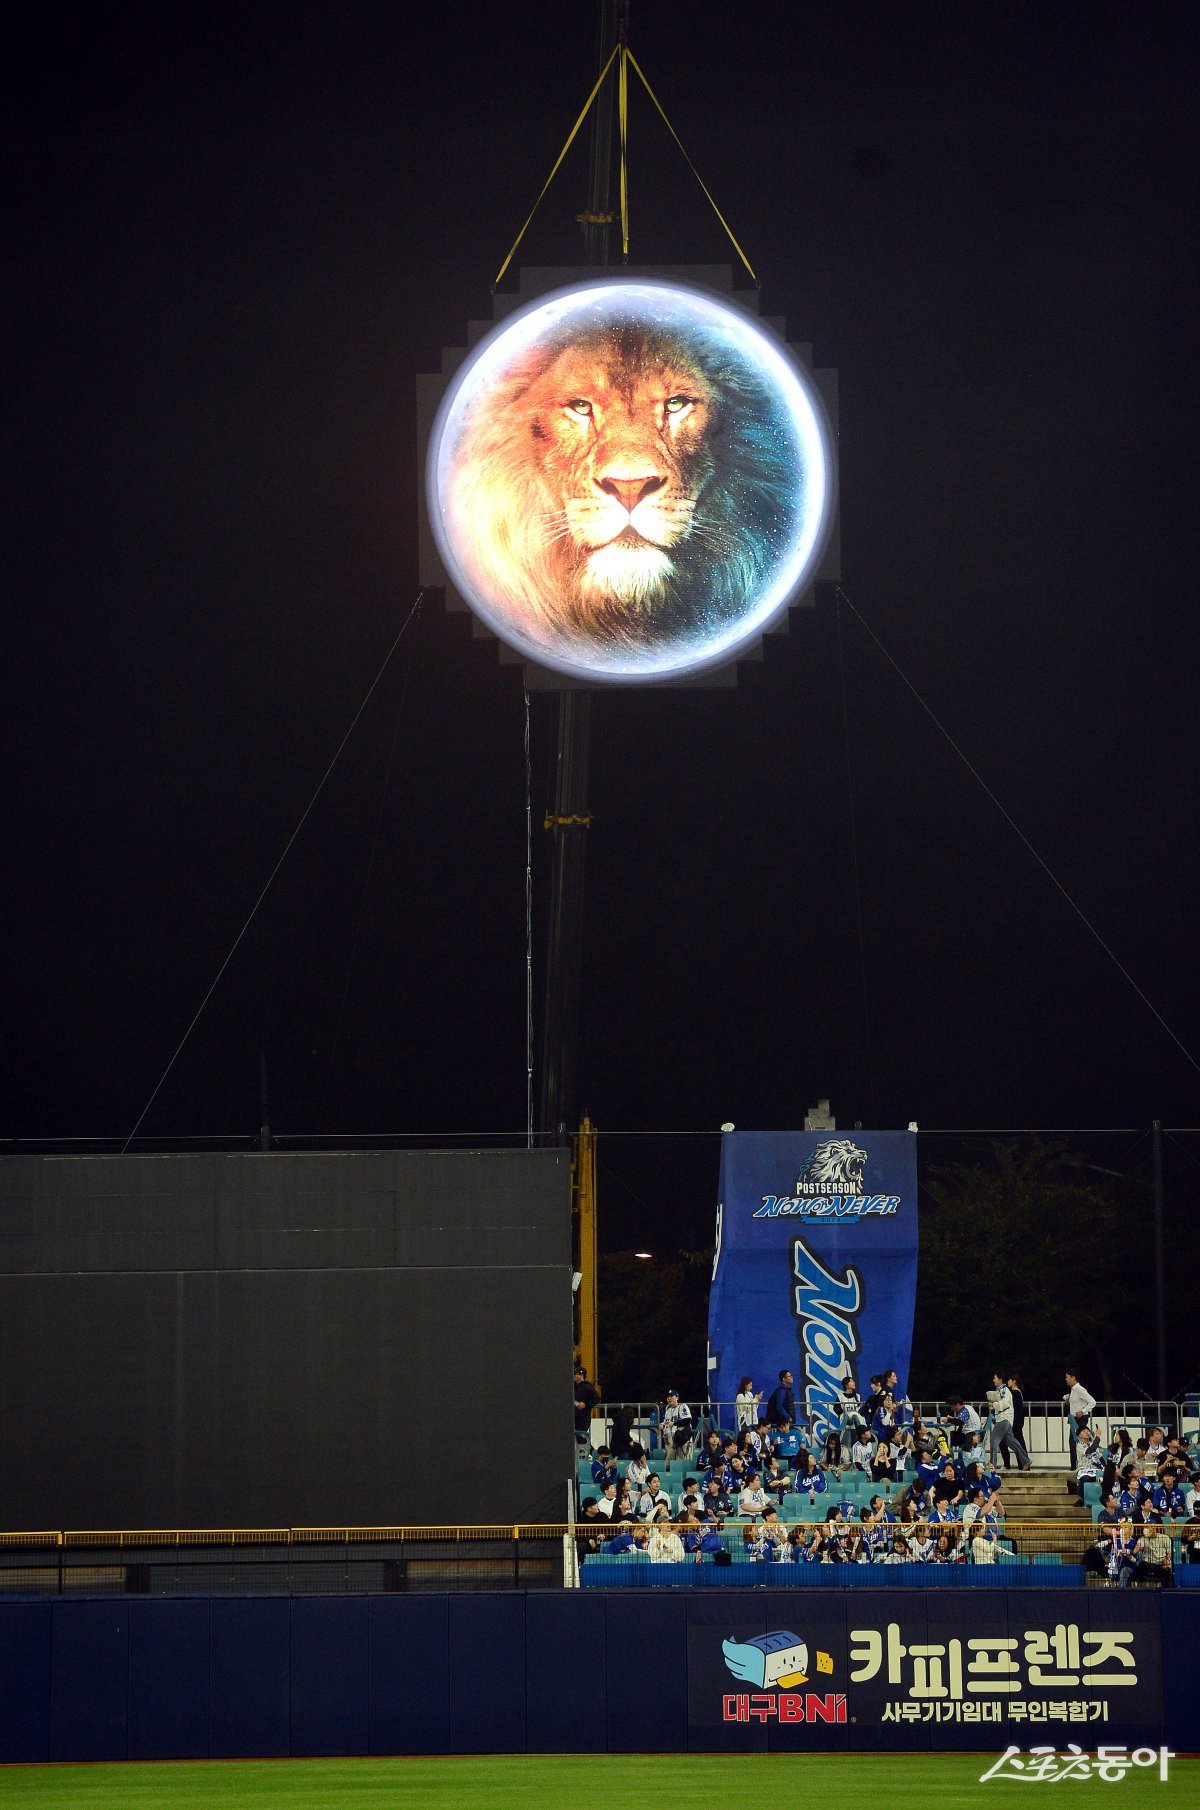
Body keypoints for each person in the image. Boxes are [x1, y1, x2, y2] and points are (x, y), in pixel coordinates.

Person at [988, 1372, 1031, 1469]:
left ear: (1000, 1379)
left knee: (994, 1440)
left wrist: (993, 1405)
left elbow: (1004, 1404)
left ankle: (992, 1465)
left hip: (1004, 1419)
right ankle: (1025, 1460)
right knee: (1012, 1442)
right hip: (1005, 1419)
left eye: (995, 1378)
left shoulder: (1005, 1390)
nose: (993, 1380)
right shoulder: (1001, 1390)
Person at [1063, 1370, 1097, 1465]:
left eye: (1067, 1377)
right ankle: (1075, 1463)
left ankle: (1076, 1464)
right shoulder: (1073, 1390)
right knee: (1074, 1441)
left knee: (1076, 1441)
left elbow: (1092, 1402)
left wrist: (1083, 1411)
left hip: (1080, 1419)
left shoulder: (1079, 1389)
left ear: (1073, 1377)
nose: (1066, 1379)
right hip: (1074, 1419)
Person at [661, 1388, 694, 1460]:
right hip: (671, 1442)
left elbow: (687, 1420)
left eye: (671, 1396)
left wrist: (674, 1423)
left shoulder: (683, 1406)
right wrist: (662, 1426)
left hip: (683, 1441)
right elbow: (667, 1424)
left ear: (677, 1397)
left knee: (682, 1465)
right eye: (668, 1397)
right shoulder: (668, 1411)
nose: (669, 1398)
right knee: (670, 1466)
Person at [573, 1365, 599, 1441]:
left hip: (583, 1418)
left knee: (581, 1438)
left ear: (581, 1375)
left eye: (575, 1374)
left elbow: (597, 1398)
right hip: (574, 1417)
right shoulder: (573, 1387)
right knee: (576, 1438)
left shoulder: (586, 1387)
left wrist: (585, 1404)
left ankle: (591, 1451)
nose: (574, 1375)